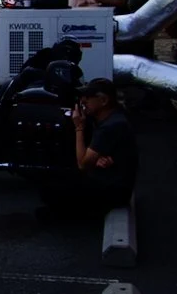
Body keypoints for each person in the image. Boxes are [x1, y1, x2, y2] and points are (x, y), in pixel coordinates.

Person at [48, 77, 138, 217]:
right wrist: (97, 158)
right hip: (111, 180)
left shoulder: (111, 126)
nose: (83, 101)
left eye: (88, 97)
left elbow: (83, 164)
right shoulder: (111, 119)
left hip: (114, 188)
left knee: (52, 189)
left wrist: (79, 127)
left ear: (103, 100)